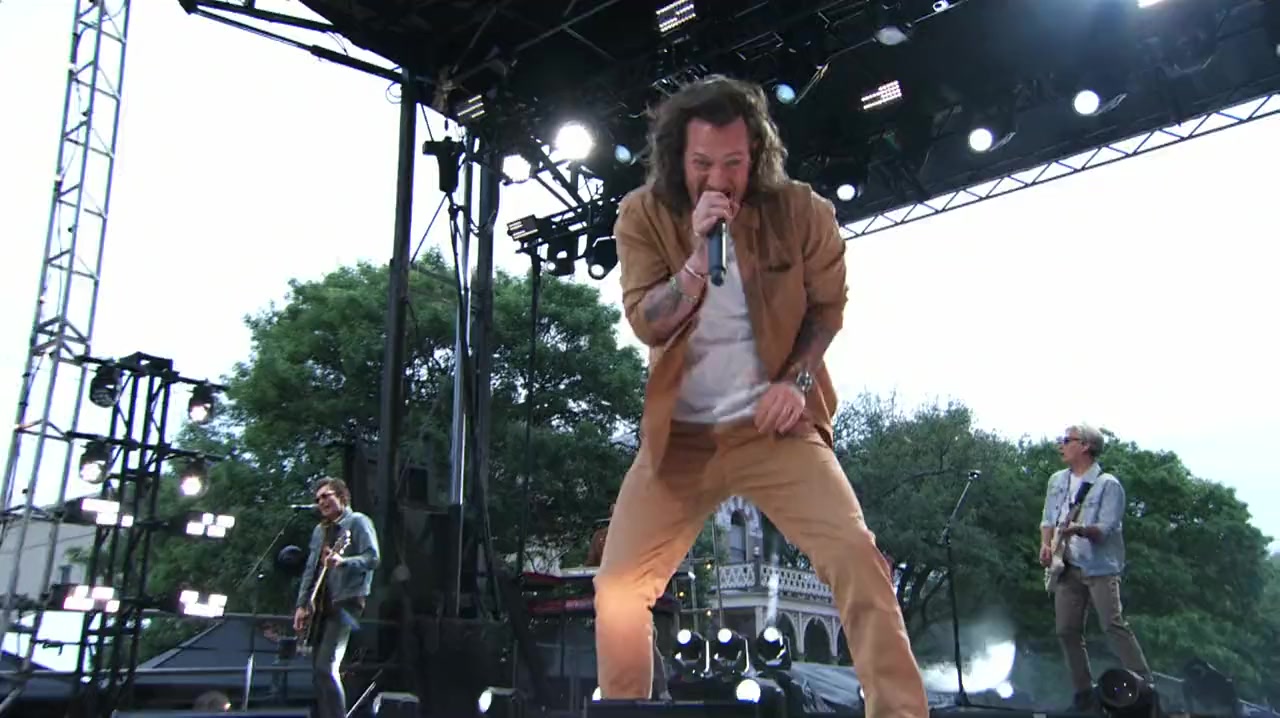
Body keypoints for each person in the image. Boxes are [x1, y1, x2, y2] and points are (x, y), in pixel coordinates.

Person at [593, 75, 928, 718]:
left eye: (734, 163)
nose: (719, 178)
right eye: (702, 163)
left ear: (757, 155)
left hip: (776, 431)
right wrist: (698, 258)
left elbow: (827, 309)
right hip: (682, 439)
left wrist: (795, 382)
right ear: (677, 158)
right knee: (617, 588)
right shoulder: (642, 215)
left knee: (856, 558)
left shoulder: (803, 211)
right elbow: (647, 322)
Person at [1039, 424, 1151, 711]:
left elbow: (1105, 530)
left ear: (1086, 446)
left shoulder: (1108, 485)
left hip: (1099, 567)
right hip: (1066, 565)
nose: (1061, 445)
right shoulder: (1057, 480)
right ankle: (1083, 692)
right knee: (1066, 629)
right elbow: (1048, 518)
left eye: (1067, 440)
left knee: (1112, 623)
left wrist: (1079, 529)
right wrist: (1046, 546)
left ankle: (1144, 684)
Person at [293, 478, 380, 718]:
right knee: (317, 670)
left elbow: (373, 558)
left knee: (327, 666)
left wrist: (343, 562)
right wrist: (301, 605)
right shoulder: (319, 531)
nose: (321, 502)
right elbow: (310, 570)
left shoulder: (358, 521)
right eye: (318, 499)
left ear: (341, 497)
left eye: (326, 496)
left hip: (347, 600)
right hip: (320, 604)